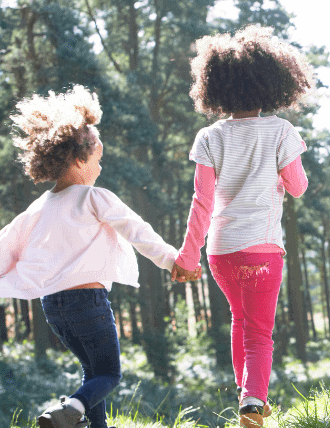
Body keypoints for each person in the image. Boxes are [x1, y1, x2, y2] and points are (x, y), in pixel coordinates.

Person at [0, 85, 199, 428]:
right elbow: (138, 231)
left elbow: (5, 247)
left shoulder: (36, 209)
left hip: (54, 308)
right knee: (109, 373)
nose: (101, 166)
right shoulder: (94, 198)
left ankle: (87, 420)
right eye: (98, 159)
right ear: (80, 159)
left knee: (92, 372)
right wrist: (174, 260)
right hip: (88, 302)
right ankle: (66, 412)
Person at [174, 25, 311, 428]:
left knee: (241, 320)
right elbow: (298, 187)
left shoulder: (209, 136)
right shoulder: (281, 131)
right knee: (259, 333)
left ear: (215, 86)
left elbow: (202, 201)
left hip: (221, 252)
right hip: (262, 248)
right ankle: (253, 405)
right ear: (274, 81)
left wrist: (187, 255)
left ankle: (248, 395)